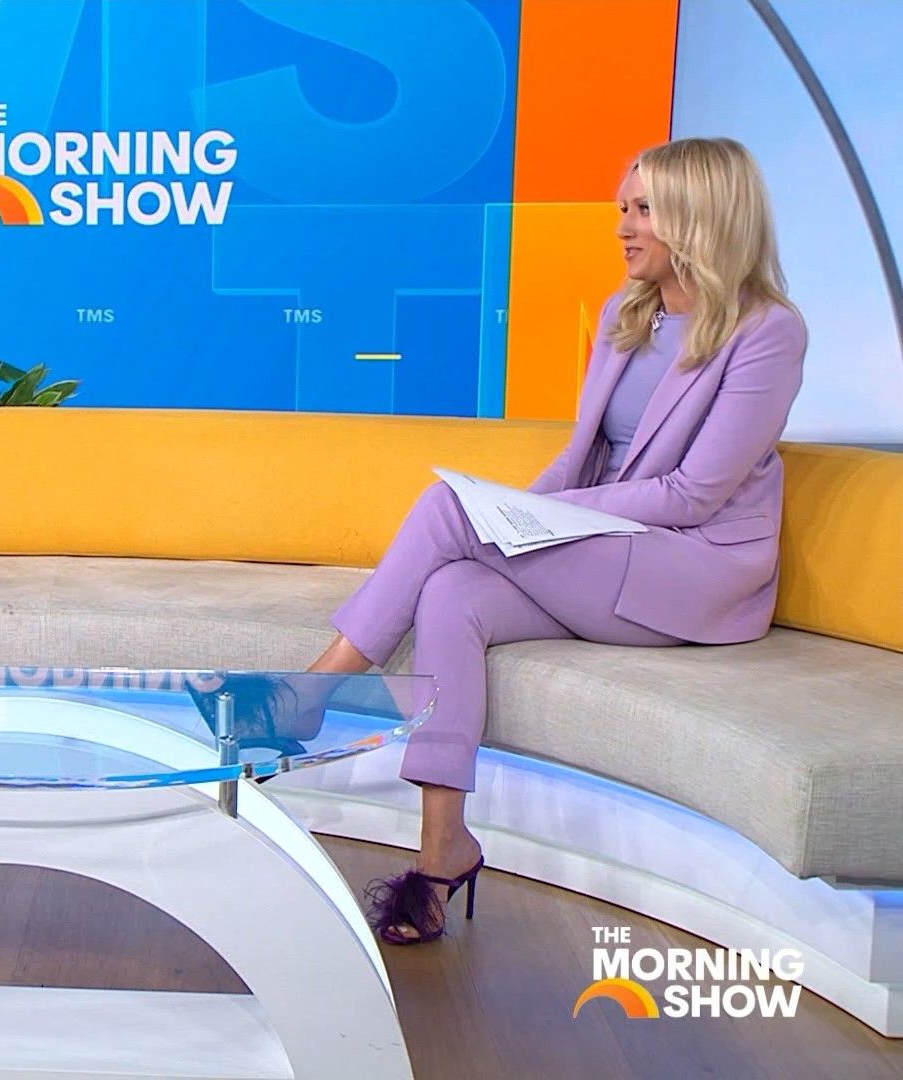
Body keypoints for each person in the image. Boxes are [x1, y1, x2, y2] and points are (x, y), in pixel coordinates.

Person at [309, 136, 806, 943]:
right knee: (451, 591)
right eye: (623, 209)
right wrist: (516, 513)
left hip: (695, 568)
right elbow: (581, 456)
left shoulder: (768, 333)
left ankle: (309, 697)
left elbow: (694, 495)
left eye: (642, 210)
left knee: (444, 508)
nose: (623, 227)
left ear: (700, 217)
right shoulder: (625, 315)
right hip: (608, 549)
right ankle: (441, 851)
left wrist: (540, 520)